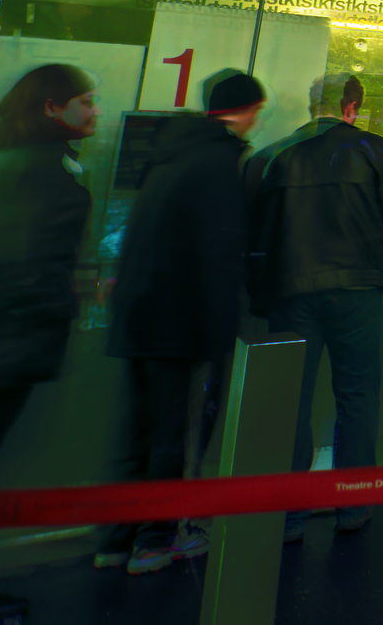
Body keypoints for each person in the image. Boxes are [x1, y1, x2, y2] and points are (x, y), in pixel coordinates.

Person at [95, 70, 262, 573]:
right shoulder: (218, 162)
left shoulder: (168, 153)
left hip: (138, 316)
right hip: (180, 322)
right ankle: (157, 539)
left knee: (135, 433)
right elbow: (216, 255)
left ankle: (114, 540)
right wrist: (218, 333)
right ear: (247, 109)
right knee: (175, 435)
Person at [246, 72, 383, 541]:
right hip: (358, 291)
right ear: (353, 106)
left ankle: (289, 516)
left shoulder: (272, 155)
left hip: (291, 291)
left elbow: (252, 233)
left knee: (290, 403)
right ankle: (354, 506)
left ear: (311, 104)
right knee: (358, 397)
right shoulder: (378, 151)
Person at [0, 65, 98, 471]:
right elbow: (23, 265)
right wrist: (65, 305)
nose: (95, 112)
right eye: (85, 103)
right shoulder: (47, 174)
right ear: (51, 107)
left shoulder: (5, 157)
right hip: (9, 344)